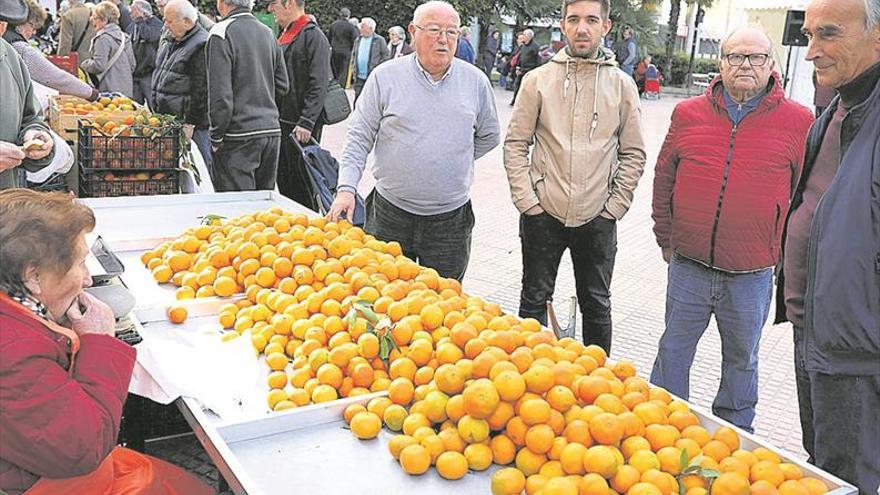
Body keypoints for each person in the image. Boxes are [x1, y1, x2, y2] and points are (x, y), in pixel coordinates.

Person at [650, 28, 814, 433]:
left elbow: (803, 196)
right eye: (735, 56)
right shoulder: (687, 113)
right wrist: (665, 237)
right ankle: (659, 427)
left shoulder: (800, 121)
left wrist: (780, 253)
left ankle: (737, 436)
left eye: (756, 57)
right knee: (673, 351)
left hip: (752, 273)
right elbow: (664, 177)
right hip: (688, 265)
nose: (745, 65)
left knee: (742, 360)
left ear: (771, 66)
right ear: (720, 64)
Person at [0, 189, 215, 495]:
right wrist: (99, 343)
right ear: (34, 277)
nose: (87, 279)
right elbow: (83, 448)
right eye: (79, 264)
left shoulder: (17, 313)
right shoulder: (13, 355)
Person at [503, 0, 645, 353]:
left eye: (591, 20)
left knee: (596, 305)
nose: (582, 28)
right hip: (542, 214)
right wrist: (528, 202)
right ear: (563, 25)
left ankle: (602, 391)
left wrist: (614, 207)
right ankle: (526, 384)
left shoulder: (622, 85)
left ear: (605, 27)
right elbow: (516, 144)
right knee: (533, 301)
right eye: (574, 19)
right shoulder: (538, 81)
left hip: (597, 217)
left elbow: (634, 151)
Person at [778, 0, 880, 492]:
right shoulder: (838, 106)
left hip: (857, 351)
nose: (811, 51)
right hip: (814, 332)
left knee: (851, 478)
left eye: (829, 34)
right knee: (821, 465)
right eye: (810, 34)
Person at [327, 0, 500, 281]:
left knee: (443, 309)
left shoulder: (476, 82)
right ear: (412, 31)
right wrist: (346, 188)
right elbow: (359, 137)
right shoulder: (385, 77)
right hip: (389, 215)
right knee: (380, 296)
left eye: (452, 32)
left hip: (450, 223)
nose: (443, 39)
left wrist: (451, 156)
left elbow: (490, 136)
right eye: (434, 30)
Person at [206, 0, 289, 191]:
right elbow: (283, 85)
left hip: (237, 134)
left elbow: (220, 95)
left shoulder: (221, 32)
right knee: (264, 208)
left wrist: (216, 137)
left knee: (237, 208)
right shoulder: (267, 32)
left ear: (221, 3)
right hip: (270, 129)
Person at [269, 0, 330, 206]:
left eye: (274, 3)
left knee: (302, 184)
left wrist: (307, 121)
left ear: (290, 4)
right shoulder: (284, 34)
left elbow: (319, 83)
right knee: (284, 181)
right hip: (282, 121)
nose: (270, 9)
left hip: (299, 126)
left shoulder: (313, 36)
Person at [151, 0, 210, 171]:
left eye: (169, 21)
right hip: (170, 121)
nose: (165, 25)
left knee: (195, 170)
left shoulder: (200, 44)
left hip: (189, 127)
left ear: (186, 21)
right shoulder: (172, 39)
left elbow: (201, 90)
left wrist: (190, 123)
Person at [0, 0, 54, 190]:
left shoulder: (11, 59)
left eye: (3, 21)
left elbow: (30, 117)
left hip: (6, 207)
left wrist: (35, 135)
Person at [3, 0, 98, 100]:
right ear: (22, 22)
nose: (33, 32)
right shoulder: (18, 47)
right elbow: (54, 77)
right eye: (33, 26)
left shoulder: (6, 38)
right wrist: (91, 93)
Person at [80, 1, 136, 96]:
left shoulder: (103, 38)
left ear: (104, 20)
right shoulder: (124, 37)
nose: (92, 20)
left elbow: (99, 66)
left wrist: (84, 64)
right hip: (126, 89)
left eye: (95, 18)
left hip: (108, 90)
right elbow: (132, 65)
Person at [127, 0, 162, 103]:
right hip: (134, 73)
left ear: (142, 11)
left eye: (133, 10)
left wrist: (140, 19)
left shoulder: (156, 24)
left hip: (149, 73)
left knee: (154, 105)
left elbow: (150, 36)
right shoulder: (132, 26)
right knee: (135, 106)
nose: (130, 13)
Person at [350, 17, 388, 103]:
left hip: (371, 76)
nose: (360, 29)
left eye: (363, 27)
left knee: (371, 101)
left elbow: (386, 55)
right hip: (359, 77)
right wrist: (353, 67)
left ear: (370, 28)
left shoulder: (379, 40)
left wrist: (377, 67)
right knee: (357, 100)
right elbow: (354, 54)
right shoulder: (358, 39)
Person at [328, 7, 358, 84]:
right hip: (346, 51)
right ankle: (341, 87)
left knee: (336, 70)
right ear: (348, 16)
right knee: (344, 71)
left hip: (335, 50)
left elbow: (329, 37)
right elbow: (355, 40)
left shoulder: (333, 25)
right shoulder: (351, 27)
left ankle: (335, 85)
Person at [510, 28, 538, 105]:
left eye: (524, 35)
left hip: (529, 70)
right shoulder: (523, 46)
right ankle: (515, 101)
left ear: (529, 36)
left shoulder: (534, 47)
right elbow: (520, 57)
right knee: (517, 86)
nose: (523, 37)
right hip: (521, 70)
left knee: (526, 88)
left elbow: (537, 61)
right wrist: (517, 67)